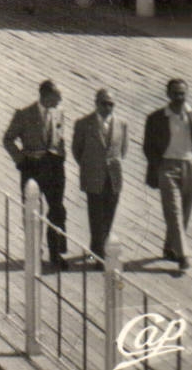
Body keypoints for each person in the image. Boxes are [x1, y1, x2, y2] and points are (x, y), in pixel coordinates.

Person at [1, 79, 69, 271]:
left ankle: (55, 253)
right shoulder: (24, 115)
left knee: (57, 209)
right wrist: (21, 159)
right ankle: (34, 251)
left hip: (54, 167)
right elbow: (7, 139)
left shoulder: (58, 113)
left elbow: (59, 137)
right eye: (57, 97)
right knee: (32, 210)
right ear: (46, 96)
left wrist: (60, 156)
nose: (60, 101)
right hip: (32, 166)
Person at [141, 78, 192, 274]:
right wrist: (158, 165)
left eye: (182, 93)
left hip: (190, 166)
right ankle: (183, 256)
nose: (179, 97)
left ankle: (170, 248)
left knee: (184, 212)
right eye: (175, 93)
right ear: (168, 94)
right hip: (166, 166)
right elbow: (148, 146)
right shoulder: (156, 118)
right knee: (173, 211)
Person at [71, 88, 127, 264]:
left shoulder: (121, 124)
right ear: (96, 103)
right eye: (104, 103)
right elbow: (77, 149)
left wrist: (112, 164)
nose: (107, 107)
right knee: (95, 215)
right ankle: (98, 254)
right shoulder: (84, 123)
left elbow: (123, 150)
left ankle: (99, 247)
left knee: (109, 214)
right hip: (93, 175)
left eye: (111, 104)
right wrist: (90, 165)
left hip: (114, 176)